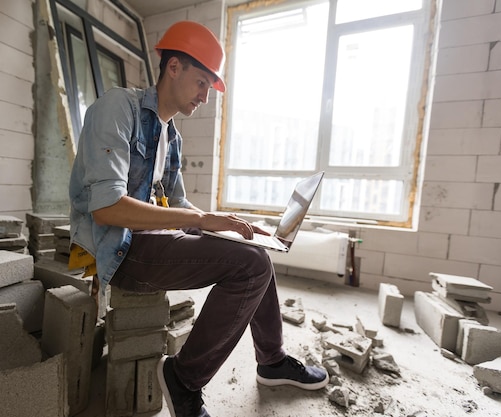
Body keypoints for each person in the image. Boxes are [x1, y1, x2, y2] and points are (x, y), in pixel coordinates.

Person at [68, 20, 329, 417]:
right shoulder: (117, 109)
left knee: (254, 253)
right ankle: (183, 378)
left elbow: (178, 206)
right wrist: (204, 220)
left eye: (210, 87)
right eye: (202, 83)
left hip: (146, 241)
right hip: (116, 251)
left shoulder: (170, 136)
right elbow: (107, 208)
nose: (206, 97)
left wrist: (237, 227)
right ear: (173, 67)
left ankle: (271, 360)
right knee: (250, 267)